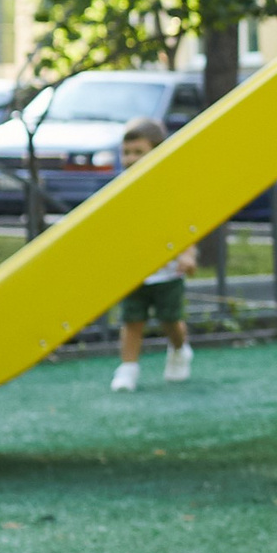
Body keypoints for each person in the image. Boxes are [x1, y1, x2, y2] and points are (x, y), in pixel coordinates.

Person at [110, 117, 195, 391]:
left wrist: (187, 254)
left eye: (138, 152)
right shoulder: (121, 187)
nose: (130, 159)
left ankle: (179, 350)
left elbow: (184, 226)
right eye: (126, 152)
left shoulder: (167, 189)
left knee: (170, 320)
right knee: (132, 320)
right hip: (134, 271)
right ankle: (128, 368)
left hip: (167, 271)